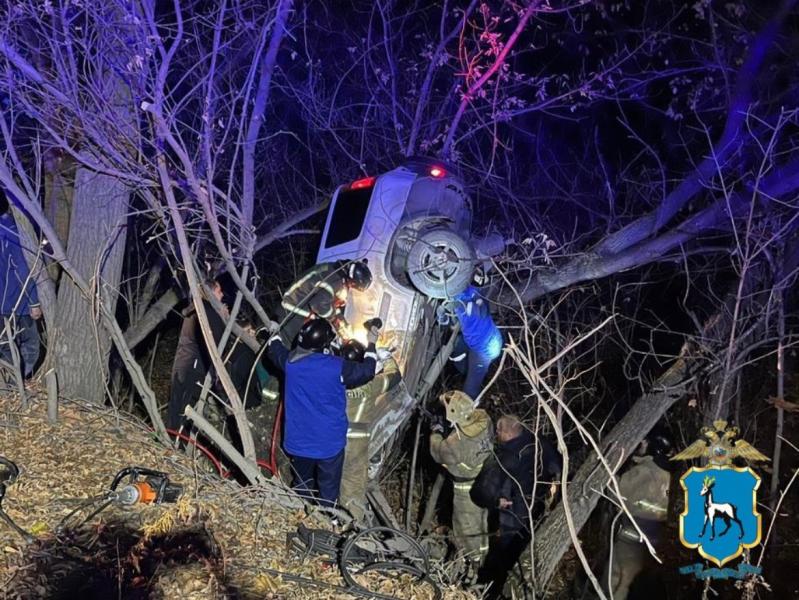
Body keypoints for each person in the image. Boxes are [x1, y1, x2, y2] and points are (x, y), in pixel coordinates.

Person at [267, 318, 379, 507]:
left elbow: (274, 349)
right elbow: (368, 371)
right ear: (325, 345)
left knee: (302, 483)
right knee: (328, 488)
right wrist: (372, 344)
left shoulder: (290, 363)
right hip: (329, 446)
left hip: (298, 444)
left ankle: (300, 511)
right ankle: (328, 517)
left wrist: (273, 332)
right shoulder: (337, 367)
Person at [471, 415, 561, 600]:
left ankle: (494, 591)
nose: (496, 434)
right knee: (524, 549)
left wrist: (496, 502)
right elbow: (557, 466)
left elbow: (482, 492)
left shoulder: (508, 458)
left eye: (498, 431)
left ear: (507, 432)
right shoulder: (540, 443)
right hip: (537, 509)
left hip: (514, 515)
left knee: (506, 554)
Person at [601, 432, 672, 600]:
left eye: (644, 443)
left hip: (632, 536)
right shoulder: (665, 473)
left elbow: (617, 492)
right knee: (633, 582)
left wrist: (606, 470)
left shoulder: (646, 471)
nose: (640, 446)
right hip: (651, 537)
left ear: (653, 448)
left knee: (617, 580)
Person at [429, 390, 493, 574]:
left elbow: (438, 452)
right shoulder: (484, 420)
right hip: (483, 481)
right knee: (481, 522)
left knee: (465, 526)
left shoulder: (458, 442)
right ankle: (483, 557)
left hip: (465, 489)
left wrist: (436, 432)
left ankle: (472, 564)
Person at [338, 339, 401, 521]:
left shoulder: (333, 378)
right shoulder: (369, 386)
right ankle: (352, 525)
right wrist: (386, 358)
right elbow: (394, 377)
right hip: (356, 441)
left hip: (332, 435)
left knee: (333, 478)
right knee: (354, 485)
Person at [168, 277, 228, 430]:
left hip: (183, 365)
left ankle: (171, 439)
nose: (222, 295)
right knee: (186, 409)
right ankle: (178, 444)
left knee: (177, 408)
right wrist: (223, 318)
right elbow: (217, 343)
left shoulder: (197, 309)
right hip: (193, 368)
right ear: (209, 293)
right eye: (219, 291)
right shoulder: (205, 312)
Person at [277, 259, 372, 347]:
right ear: (352, 281)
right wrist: (335, 320)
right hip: (291, 315)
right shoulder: (334, 281)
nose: (351, 288)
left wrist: (344, 324)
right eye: (353, 286)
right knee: (289, 349)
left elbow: (330, 303)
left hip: (293, 309)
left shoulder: (335, 271)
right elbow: (320, 305)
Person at [0, 192, 42, 379]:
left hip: (4, 302)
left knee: (7, 346)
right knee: (31, 346)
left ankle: (11, 387)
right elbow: (20, 268)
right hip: (15, 302)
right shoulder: (11, 230)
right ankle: (16, 387)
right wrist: (33, 301)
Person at [444, 267, 503, 399]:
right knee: (459, 347)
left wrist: (442, 315)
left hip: (485, 349)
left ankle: (466, 409)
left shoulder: (462, 307)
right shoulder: (473, 292)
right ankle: (463, 368)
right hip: (487, 336)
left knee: (471, 385)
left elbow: (450, 320)